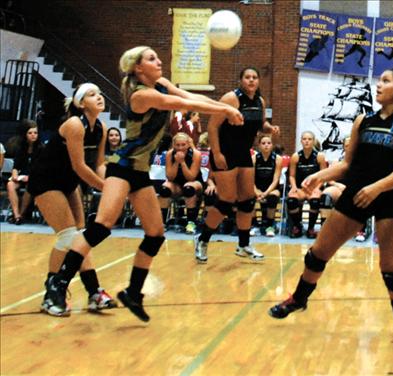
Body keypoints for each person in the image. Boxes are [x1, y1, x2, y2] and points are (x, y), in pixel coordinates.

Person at [44, 46, 243, 322]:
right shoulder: (140, 95)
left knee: (155, 233)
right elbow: (184, 106)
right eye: (152, 59)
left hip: (139, 171)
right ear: (138, 68)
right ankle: (57, 284)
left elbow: (188, 96)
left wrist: (223, 106)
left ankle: (133, 293)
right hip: (122, 167)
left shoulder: (160, 84)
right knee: (101, 227)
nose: (159, 61)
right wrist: (226, 109)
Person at [268, 69, 393, 341]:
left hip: (388, 197)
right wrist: (319, 175)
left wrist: (377, 188)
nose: (379, 85)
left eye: (386, 81)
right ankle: (298, 299)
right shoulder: (363, 120)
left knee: (392, 270)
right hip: (356, 194)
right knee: (317, 254)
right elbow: (347, 164)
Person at [28, 83, 117, 316]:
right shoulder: (74, 125)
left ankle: (94, 291)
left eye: (99, 93)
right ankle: (51, 294)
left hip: (67, 182)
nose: (98, 97)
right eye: (91, 94)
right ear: (80, 103)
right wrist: (107, 189)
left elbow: (98, 164)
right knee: (68, 236)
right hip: (46, 180)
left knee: (81, 238)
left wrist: (110, 183)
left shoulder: (101, 127)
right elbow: (79, 166)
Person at [194, 67, 280, 264]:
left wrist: (270, 129)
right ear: (241, 80)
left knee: (247, 200)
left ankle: (243, 245)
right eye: (247, 77)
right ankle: (202, 239)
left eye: (254, 77)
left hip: (243, 153)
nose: (251, 80)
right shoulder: (231, 98)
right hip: (224, 153)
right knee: (226, 201)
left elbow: (261, 125)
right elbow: (212, 126)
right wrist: (216, 153)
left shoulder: (260, 101)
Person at [158, 132, 204, 234]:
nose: (180, 148)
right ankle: (162, 223)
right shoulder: (169, 154)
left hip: (194, 182)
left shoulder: (196, 154)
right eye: (177, 145)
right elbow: (170, 177)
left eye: (183, 145)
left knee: (188, 188)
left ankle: (191, 223)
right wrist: (176, 162)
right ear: (173, 145)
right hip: (177, 183)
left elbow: (191, 177)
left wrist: (182, 162)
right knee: (164, 188)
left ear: (188, 144)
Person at [287, 131, 327, 239]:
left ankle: (310, 228)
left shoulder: (319, 156)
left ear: (313, 141)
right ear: (301, 141)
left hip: (314, 188)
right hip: (301, 189)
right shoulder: (296, 156)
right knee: (291, 200)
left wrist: (317, 188)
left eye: (309, 139)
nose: (307, 141)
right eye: (304, 139)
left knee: (315, 201)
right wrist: (294, 187)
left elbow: (323, 176)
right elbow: (291, 176)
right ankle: (297, 226)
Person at [6, 120, 43, 224]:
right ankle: (16, 214)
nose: (33, 135)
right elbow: (16, 166)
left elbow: (43, 168)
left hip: (35, 178)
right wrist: (14, 175)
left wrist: (31, 176)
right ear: (25, 134)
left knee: (30, 186)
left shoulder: (41, 149)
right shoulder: (21, 148)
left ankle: (21, 215)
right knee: (10, 185)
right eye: (30, 133)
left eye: (35, 133)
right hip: (22, 176)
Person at [252, 134, 282, 237]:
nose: (266, 145)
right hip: (257, 187)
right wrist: (256, 191)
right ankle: (254, 225)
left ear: (272, 145)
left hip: (272, 188)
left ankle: (270, 226)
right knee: (248, 196)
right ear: (259, 145)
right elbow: (250, 179)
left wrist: (265, 193)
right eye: (263, 143)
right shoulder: (254, 158)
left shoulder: (277, 159)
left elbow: (276, 179)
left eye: (269, 143)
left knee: (272, 197)